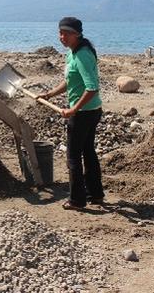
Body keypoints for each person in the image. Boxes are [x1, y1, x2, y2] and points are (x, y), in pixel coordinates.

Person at [37, 17, 103, 211]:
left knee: (73, 157)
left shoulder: (82, 55)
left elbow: (92, 88)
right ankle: (96, 194)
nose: (62, 37)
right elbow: (69, 82)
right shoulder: (72, 53)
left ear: (78, 34)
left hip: (83, 114)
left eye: (66, 33)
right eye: (60, 32)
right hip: (92, 111)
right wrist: (49, 94)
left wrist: (74, 109)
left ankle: (77, 200)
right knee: (88, 152)